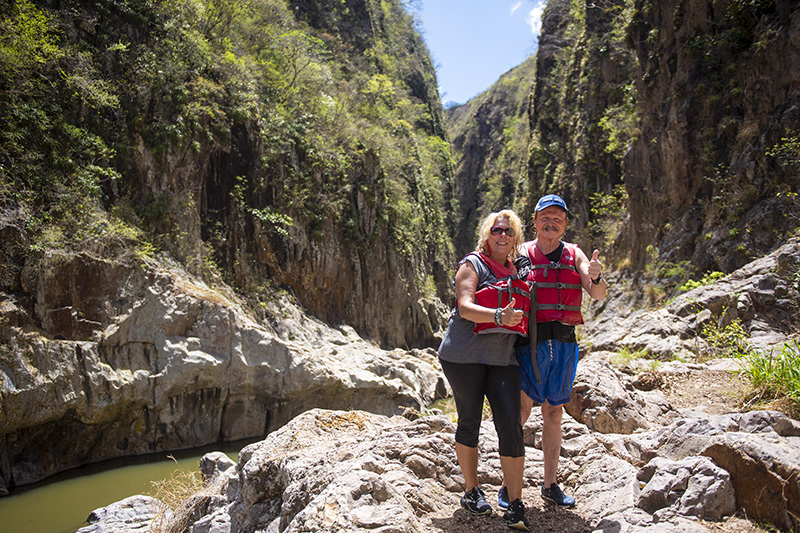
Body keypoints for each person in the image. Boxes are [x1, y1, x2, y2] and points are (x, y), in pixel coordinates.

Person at [497, 194, 606, 510]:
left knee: (554, 412)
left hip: (564, 343)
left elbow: (597, 293)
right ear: (534, 221)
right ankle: (508, 484)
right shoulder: (521, 254)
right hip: (528, 344)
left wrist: (596, 274)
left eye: (558, 218)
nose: (551, 222)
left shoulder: (575, 254)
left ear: (565, 224)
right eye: (546, 216)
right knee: (520, 411)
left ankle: (550, 484)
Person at [437, 209, 532, 531]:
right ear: (486, 235)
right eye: (496, 230)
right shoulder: (472, 264)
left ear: (515, 238)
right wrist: (497, 317)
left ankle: (515, 501)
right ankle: (471, 490)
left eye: (508, 231)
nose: (502, 235)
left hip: (502, 358)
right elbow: (464, 305)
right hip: (463, 356)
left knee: (510, 421)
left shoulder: (519, 271)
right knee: (469, 421)